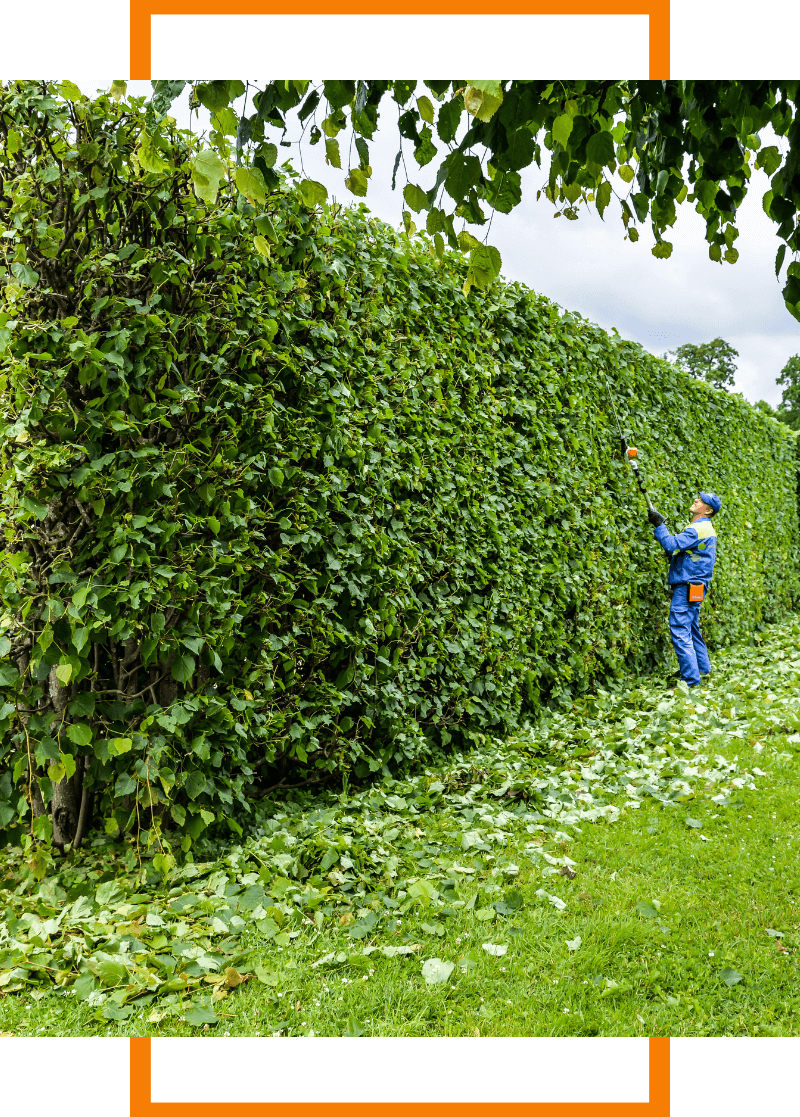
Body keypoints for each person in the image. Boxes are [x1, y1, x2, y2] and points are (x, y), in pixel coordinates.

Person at [647, 491, 722, 688]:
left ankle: (689, 680)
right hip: (696, 586)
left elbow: (672, 544)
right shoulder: (704, 528)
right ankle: (703, 670)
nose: (697, 500)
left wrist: (659, 525)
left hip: (687, 585)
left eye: (702, 501)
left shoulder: (699, 529)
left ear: (707, 510)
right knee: (691, 627)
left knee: (680, 628)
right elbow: (685, 551)